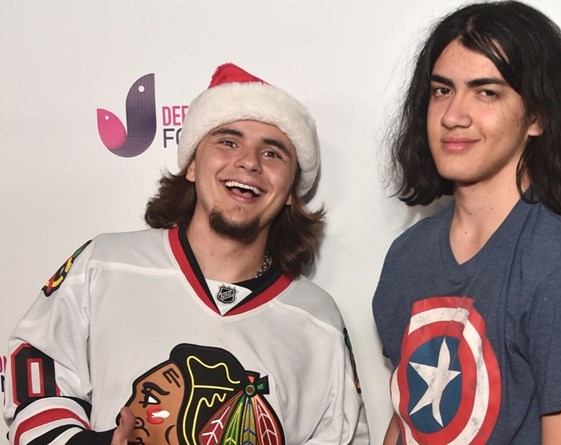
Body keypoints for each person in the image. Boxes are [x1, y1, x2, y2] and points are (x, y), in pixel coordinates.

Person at [4, 62, 369, 445]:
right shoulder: (104, 264)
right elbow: (35, 373)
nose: (248, 162)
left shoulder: (318, 320)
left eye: (273, 153)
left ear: (292, 190)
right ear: (192, 164)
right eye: (228, 141)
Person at [372, 1, 561, 444]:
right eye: (441, 90)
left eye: (486, 91)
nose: (454, 115)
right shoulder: (406, 255)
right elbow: (408, 420)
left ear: (537, 116)